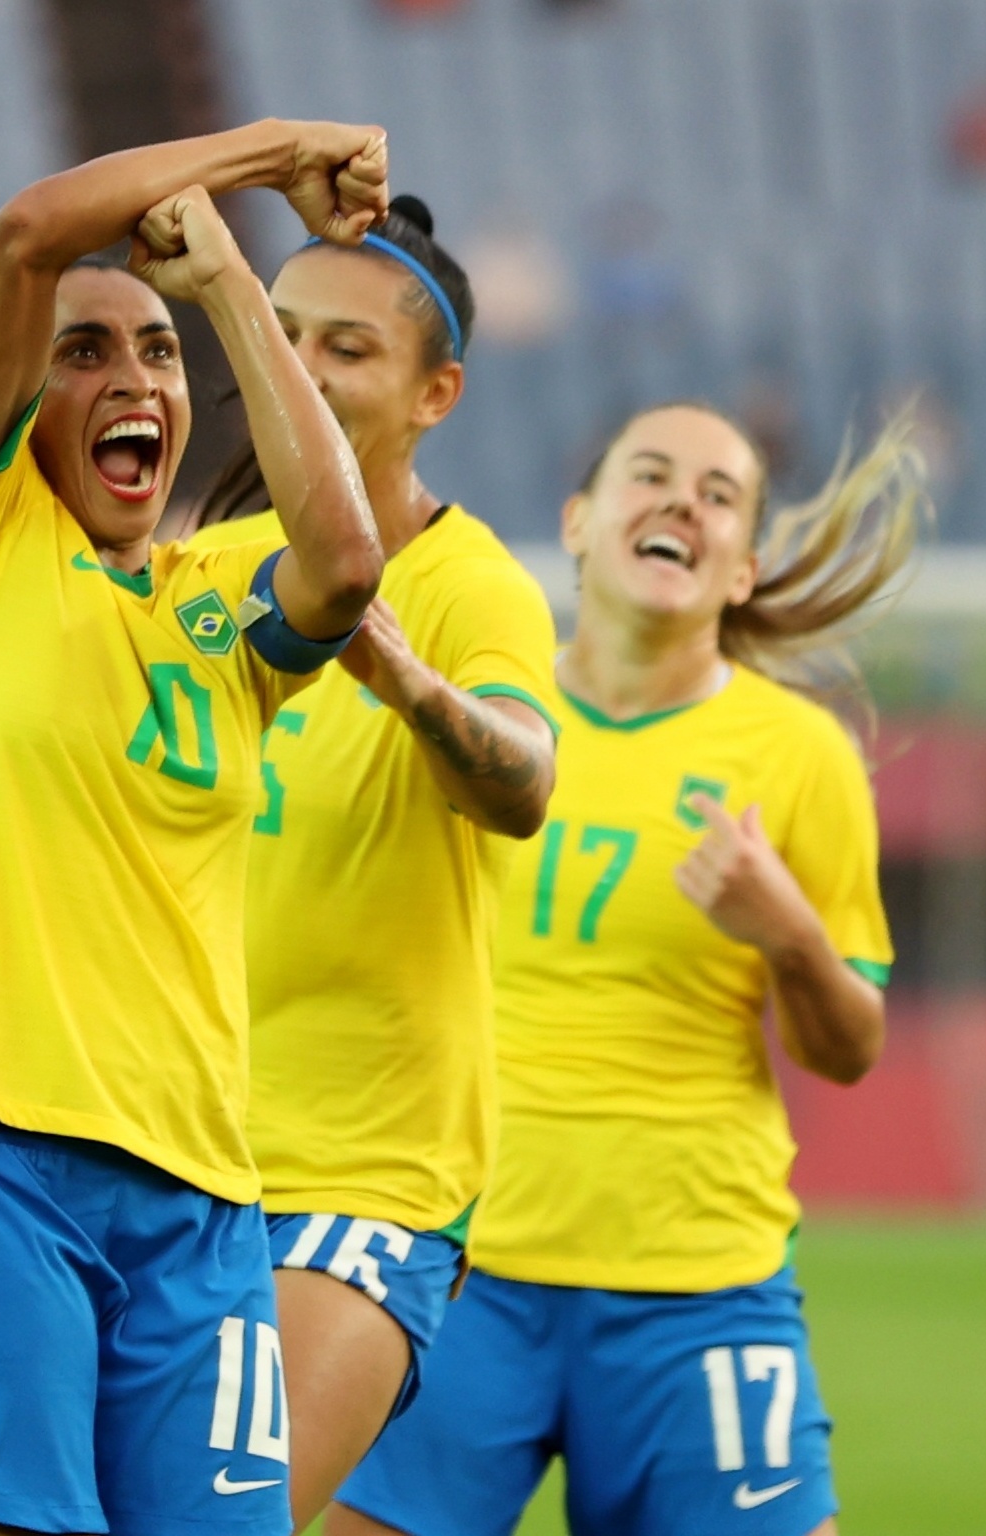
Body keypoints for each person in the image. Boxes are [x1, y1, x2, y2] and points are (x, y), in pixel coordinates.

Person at [0, 119, 389, 1536]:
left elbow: (343, 561)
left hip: (203, 1202)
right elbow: (28, 234)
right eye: (83, 353)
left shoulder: (224, 602)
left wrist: (230, 289)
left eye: (155, 356)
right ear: (22, 396)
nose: (130, 378)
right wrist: (271, 157)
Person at [330, 403, 926, 1536]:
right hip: (452, 1268)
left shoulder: (799, 757)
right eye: (649, 476)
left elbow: (848, 1049)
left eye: (717, 496)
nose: (680, 504)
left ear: (743, 567)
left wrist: (791, 931)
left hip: (697, 1290)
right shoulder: (478, 719)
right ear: (580, 521)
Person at [186, 194, 561, 1525]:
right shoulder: (203, 575)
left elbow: (522, 783)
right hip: (168, 1157)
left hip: (362, 1175)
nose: (296, 368)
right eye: (278, 336)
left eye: (343, 347)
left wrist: (413, 692)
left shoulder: (470, 591)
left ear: (435, 391)